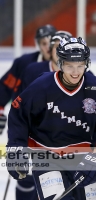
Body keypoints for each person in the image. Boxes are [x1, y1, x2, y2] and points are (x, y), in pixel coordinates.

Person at [6, 37, 96, 200]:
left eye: (80, 66)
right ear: (61, 63)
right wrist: (16, 148)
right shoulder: (42, 86)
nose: (75, 72)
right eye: (70, 66)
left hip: (83, 157)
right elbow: (19, 113)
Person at [0, 24, 56, 200]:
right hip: (27, 131)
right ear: (38, 44)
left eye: (50, 42)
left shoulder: (68, 66)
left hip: (52, 135)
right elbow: (5, 90)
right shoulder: (25, 64)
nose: (47, 47)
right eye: (43, 42)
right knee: (25, 177)